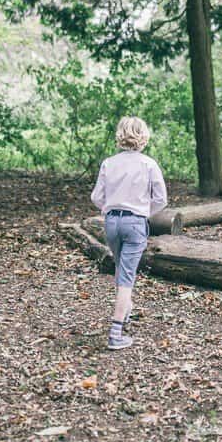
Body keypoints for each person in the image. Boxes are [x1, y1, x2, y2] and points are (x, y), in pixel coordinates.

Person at [91, 116, 168, 350]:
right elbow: (161, 199)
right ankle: (115, 332)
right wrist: (144, 212)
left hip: (112, 221)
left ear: (120, 135)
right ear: (143, 136)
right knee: (126, 277)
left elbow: (96, 198)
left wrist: (110, 207)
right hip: (135, 223)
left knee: (120, 269)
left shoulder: (109, 163)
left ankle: (125, 310)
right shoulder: (148, 164)